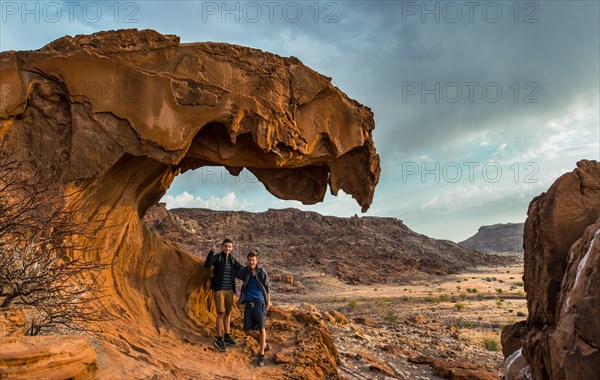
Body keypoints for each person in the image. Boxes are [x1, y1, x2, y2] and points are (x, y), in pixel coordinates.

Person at [204, 238, 242, 352]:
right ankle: (219, 338)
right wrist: (211, 252)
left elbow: (241, 269)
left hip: (229, 290)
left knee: (228, 313)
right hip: (219, 290)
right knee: (220, 313)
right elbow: (207, 264)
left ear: (232, 248)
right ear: (222, 247)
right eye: (226, 246)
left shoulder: (232, 260)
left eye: (230, 247)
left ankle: (227, 335)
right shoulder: (218, 257)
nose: (227, 249)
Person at [236, 249, 271, 367]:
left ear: (257, 260)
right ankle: (264, 344)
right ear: (247, 261)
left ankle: (261, 354)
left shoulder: (262, 272)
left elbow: (267, 287)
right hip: (249, 304)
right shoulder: (245, 272)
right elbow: (234, 270)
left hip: (260, 303)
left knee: (261, 328)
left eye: (253, 260)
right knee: (247, 329)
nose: (251, 262)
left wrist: (268, 302)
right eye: (250, 260)